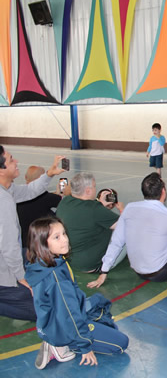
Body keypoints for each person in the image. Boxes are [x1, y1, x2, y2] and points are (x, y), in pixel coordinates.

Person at [25, 217, 128, 369]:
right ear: (42, 244)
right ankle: (61, 345)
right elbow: (69, 315)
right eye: (57, 237)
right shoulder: (56, 279)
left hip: (55, 321)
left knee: (102, 308)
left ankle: (58, 338)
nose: (65, 240)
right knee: (121, 343)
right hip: (63, 328)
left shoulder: (47, 262)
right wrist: (84, 346)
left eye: (64, 234)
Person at [88, 172, 167, 287]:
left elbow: (117, 242)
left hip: (139, 272)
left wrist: (104, 271)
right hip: (162, 273)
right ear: (163, 191)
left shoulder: (130, 208)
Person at [0, 146, 65, 321]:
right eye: (11, 159)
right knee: (44, 311)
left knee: (30, 254)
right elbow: (8, 246)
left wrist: (49, 174)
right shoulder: (3, 201)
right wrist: (21, 279)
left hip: (7, 258)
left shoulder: (6, 189)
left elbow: (29, 191)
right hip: (3, 270)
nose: (16, 162)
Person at [55, 173, 126, 272]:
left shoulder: (65, 201)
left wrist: (100, 205)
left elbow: (84, 215)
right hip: (92, 264)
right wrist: (122, 210)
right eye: (94, 186)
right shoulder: (95, 209)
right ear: (88, 191)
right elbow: (125, 226)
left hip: (69, 260)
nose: (95, 189)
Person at [17, 166, 63, 250]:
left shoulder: (18, 194)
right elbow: (62, 202)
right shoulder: (44, 196)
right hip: (41, 244)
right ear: (40, 180)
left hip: (23, 243)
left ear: (25, 177)